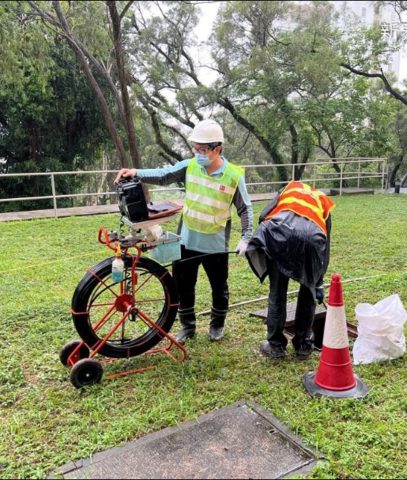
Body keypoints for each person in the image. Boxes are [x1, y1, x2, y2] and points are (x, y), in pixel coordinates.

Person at [114, 119, 253, 343]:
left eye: (202, 149)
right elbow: (164, 175)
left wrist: (246, 237)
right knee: (183, 285)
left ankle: (217, 325)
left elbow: (245, 208)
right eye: (194, 148)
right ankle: (188, 326)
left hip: (215, 245)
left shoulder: (234, 175)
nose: (197, 153)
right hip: (187, 240)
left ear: (217, 149)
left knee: (219, 286)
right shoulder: (190, 166)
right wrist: (135, 172)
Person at [245, 180, 334, 360]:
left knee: (277, 292)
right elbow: (325, 244)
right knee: (308, 292)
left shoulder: (288, 189)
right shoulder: (323, 200)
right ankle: (303, 345)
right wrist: (318, 282)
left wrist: (267, 246)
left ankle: (276, 346)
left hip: (278, 233)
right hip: (312, 240)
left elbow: (263, 216)